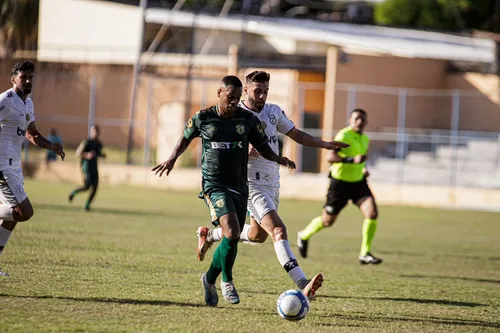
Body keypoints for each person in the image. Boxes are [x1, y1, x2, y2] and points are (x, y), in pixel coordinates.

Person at [195, 70, 348, 297]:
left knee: (258, 235)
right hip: (250, 184)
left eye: (266, 91)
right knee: (278, 229)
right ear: (246, 90)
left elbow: (296, 134)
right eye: (257, 91)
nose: (262, 96)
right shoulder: (236, 115)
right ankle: (302, 282)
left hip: (272, 183)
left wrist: (324, 144)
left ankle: (211, 235)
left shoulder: (273, 112)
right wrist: (244, 151)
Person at [152, 75, 296, 307]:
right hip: (215, 184)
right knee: (231, 231)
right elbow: (185, 138)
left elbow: (263, 147)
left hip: (240, 186)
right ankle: (227, 281)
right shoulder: (204, 118)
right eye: (231, 97)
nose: (234, 101)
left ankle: (209, 279)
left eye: (238, 98)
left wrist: (279, 158)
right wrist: (171, 159)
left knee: (234, 235)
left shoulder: (247, 119)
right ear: (219, 92)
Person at [0, 61, 66, 276]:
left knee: (11, 218)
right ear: (13, 79)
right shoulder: (5, 100)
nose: (28, 80)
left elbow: (32, 133)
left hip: (14, 167)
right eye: (23, 77)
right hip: (2, 167)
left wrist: (51, 146)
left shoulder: (28, 104)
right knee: (23, 212)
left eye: (31, 77)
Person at [297, 108, 383, 265]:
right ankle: (304, 235)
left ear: (366, 122)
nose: (359, 122)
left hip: (358, 183)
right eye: (356, 118)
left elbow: (360, 159)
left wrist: (363, 168)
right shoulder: (344, 135)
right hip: (339, 184)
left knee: (372, 213)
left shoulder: (365, 138)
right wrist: (351, 160)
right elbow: (331, 157)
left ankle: (365, 253)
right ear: (350, 120)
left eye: (362, 119)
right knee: (327, 221)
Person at [68, 125, 106, 211]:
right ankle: (73, 192)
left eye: (97, 131)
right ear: (91, 132)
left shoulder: (99, 144)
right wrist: (87, 155)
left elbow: (98, 153)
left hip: (94, 168)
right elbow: (78, 153)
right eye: (94, 131)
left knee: (95, 187)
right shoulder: (86, 142)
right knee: (87, 186)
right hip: (86, 167)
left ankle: (87, 205)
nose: (96, 133)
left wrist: (102, 155)